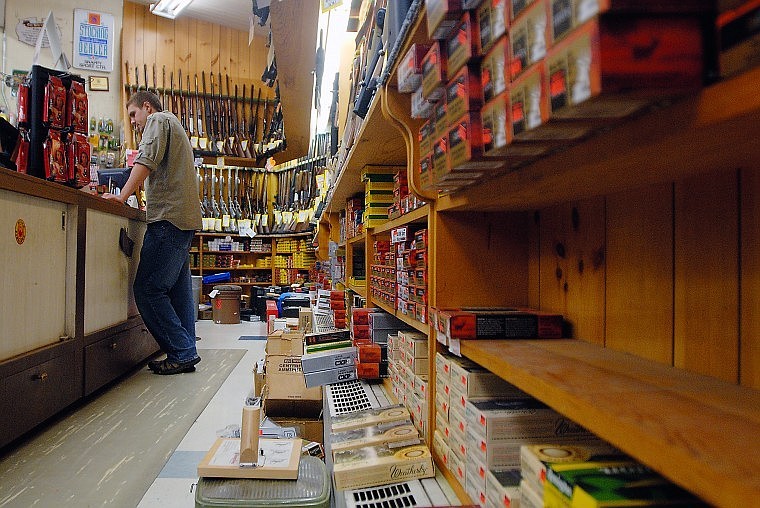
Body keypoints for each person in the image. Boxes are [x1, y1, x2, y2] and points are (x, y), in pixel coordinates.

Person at [102, 90, 202, 375]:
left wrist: (122, 197)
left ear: (147, 107)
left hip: (168, 220)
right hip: (182, 220)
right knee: (179, 293)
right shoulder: (175, 124)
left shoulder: (158, 120)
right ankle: (186, 349)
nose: (133, 122)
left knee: (147, 290)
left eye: (134, 114)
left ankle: (182, 352)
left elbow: (145, 160)